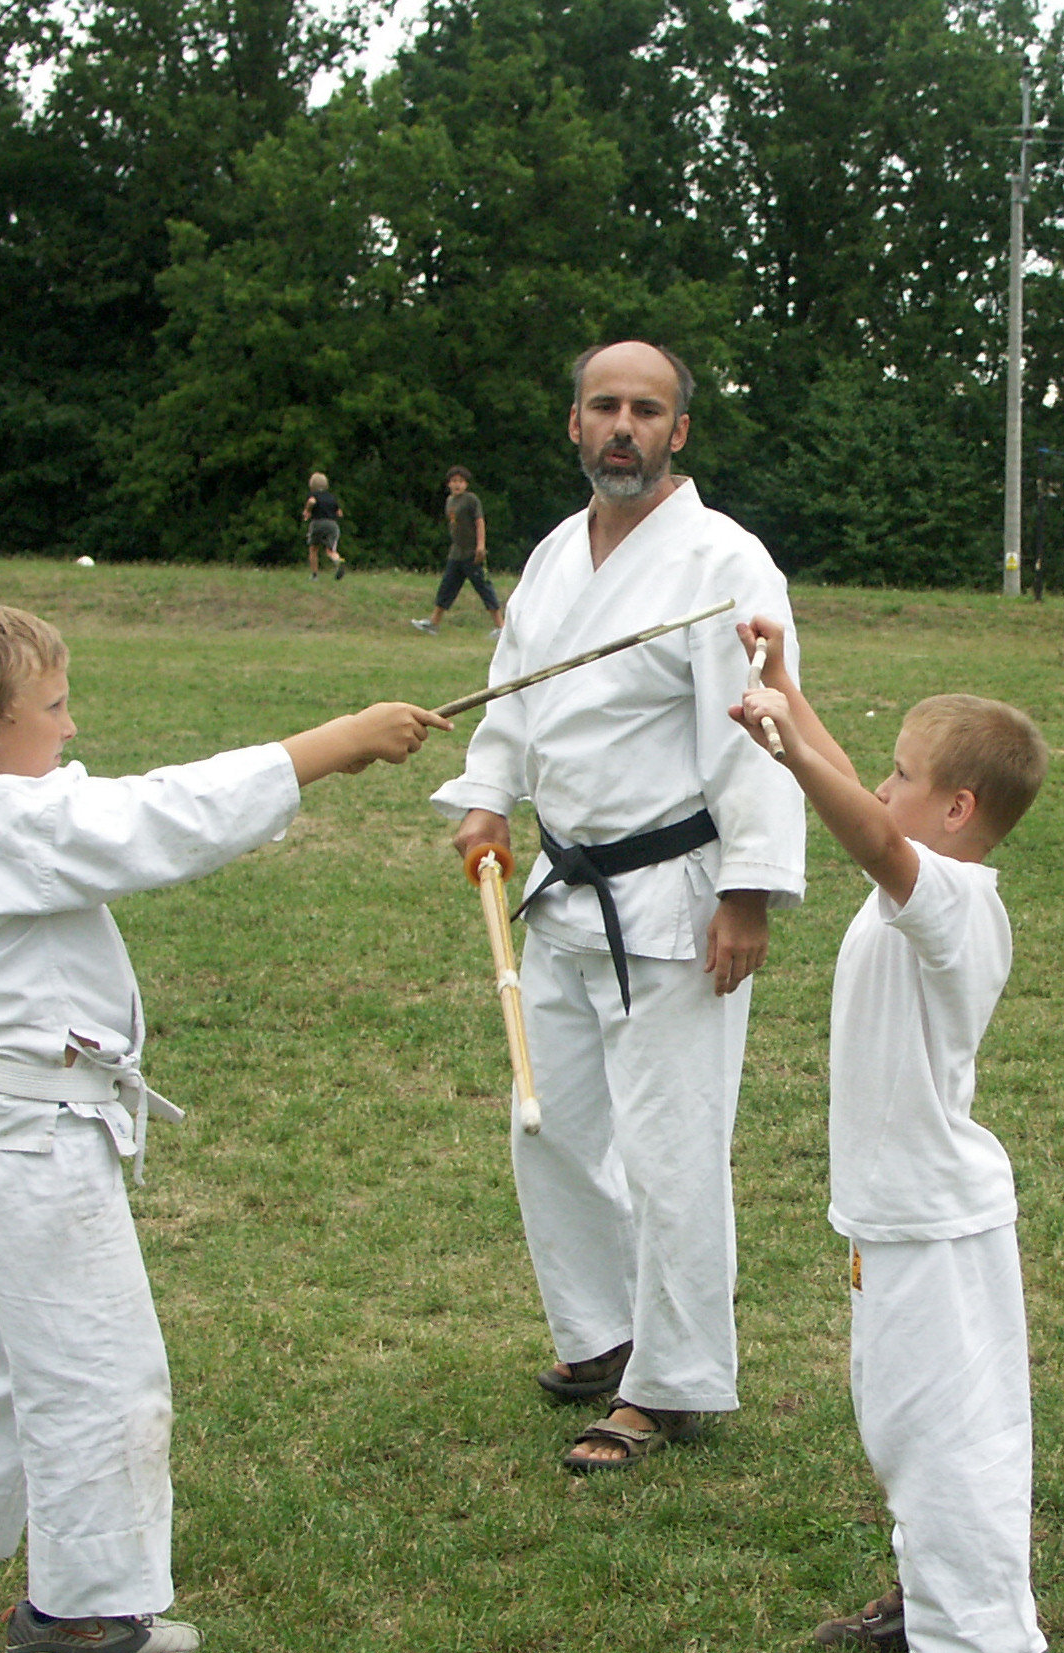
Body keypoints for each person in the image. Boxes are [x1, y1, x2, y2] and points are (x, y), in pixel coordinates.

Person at [0, 602, 446, 1653]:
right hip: (27, 1140)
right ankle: (81, 1617)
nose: (70, 727)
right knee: (98, 1369)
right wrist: (328, 746)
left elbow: (118, 809)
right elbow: (155, 819)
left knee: (11, 1345)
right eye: (52, 708)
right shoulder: (4, 820)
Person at [432, 342, 806, 1473]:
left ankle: (674, 1381)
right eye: (605, 406)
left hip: (675, 897)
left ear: (678, 431)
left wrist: (748, 891)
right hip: (561, 889)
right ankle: (602, 1332)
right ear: (574, 421)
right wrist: (488, 797)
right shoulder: (554, 554)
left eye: (647, 409)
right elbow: (514, 695)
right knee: (546, 1124)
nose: (624, 427)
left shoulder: (724, 560)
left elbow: (758, 730)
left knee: (671, 1145)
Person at [734, 619, 1050, 1653]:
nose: (881, 784)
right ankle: (930, 1597)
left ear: (956, 808)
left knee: (945, 1431)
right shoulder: (926, 882)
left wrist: (788, 750)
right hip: (895, 1213)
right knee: (901, 1424)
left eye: (904, 774)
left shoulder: (955, 902)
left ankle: (971, 1638)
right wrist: (785, 694)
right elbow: (872, 814)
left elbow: (869, 833)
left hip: (936, 1222)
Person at [411, 468, 504, 634]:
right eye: (454, 481)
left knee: (484, 588)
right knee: (447, 587)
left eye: (460, 481)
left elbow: (479, 522)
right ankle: (433, 623)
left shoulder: (471, 500)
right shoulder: (450, 501)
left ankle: (501, 627)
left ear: (466, 484)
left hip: (472, 554)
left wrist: (481, 545)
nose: (457, 485)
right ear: (449, 484)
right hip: (456, 553)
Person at [303, 472, 346, 580]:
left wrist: (307, 511)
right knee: (330, 550)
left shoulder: (314, 495)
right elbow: (339, 513)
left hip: (317, 523)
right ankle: (338, 561)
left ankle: (314, 575)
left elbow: (312, 502)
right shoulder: (331, 497)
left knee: (313, 548)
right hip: (332, 525)